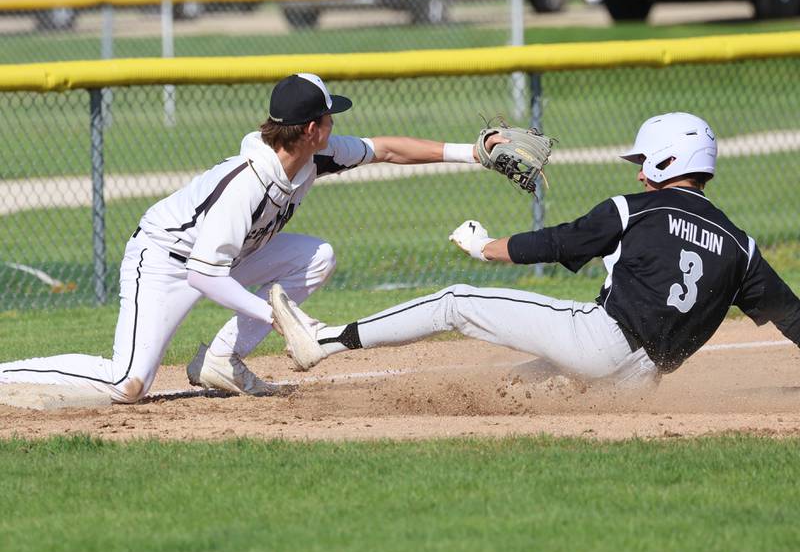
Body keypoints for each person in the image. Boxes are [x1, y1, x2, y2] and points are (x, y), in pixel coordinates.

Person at [0, 73, 491, 403]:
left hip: (225, 259)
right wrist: (274, 314)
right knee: (127, 383)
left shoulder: (312, 153)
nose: (335, 123)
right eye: (329, 117)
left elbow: (386, 150)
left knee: (316, 257)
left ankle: (220, 360)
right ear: (313, 129)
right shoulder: (248, 184)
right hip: (168, 262)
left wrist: (473, 152)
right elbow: (202, 274)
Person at [270, 112, 800, 388]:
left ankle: (323, 341)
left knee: (455, 302)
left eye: (646, 160)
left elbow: (560, 240)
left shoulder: (636, 208)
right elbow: (792, 316)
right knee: (516, 386)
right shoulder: (743, 246)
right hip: (641, 383)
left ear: (668, 161)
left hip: (599, 342)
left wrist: (486, 248)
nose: (639, 171)